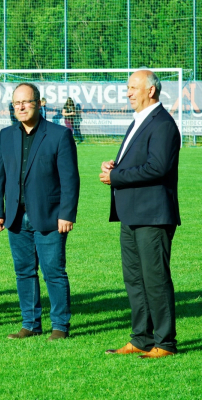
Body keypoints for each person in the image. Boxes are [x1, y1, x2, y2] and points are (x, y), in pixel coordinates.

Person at [100, 70, 180, 359]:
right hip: (132, 215)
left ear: (151, 91)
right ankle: (141, 337)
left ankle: (165, 342)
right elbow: (138, 162)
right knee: (134, 280)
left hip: (153, 215)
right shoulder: (140, 121)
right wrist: (115, 166)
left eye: (133, 88)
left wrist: (116, 176)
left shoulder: (163, 124)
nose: (128, 92)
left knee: (155, 279)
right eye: (127, 88)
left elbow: (158, 167)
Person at [0, 83, 80, 341]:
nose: (20, 107)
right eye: (16, 103)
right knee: (24, 272)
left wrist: (67, 214)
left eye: (26, 102)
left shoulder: (59, 135)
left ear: (39, 103)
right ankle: (30, 324)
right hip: (15, 219)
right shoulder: (6, 135)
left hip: (50, 217)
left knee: (53, 271)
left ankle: (60, 326)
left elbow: (70, 180)